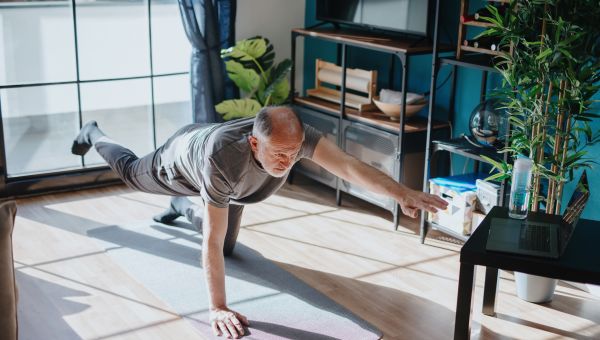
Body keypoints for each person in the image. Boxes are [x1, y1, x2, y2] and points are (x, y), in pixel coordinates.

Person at [71, 105, 447, 339]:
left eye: (293, 152)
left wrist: (403, 194)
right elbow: (210, 244)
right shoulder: (223, 159)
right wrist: (217, 307)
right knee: (130, 172)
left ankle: (183, 208)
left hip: (233, 186)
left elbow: (349, 166)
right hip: (181, 160)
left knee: (231, 250)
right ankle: (96, 134)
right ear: (254, 144)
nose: (287, 161)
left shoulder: (296, 138)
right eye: (279, 154)